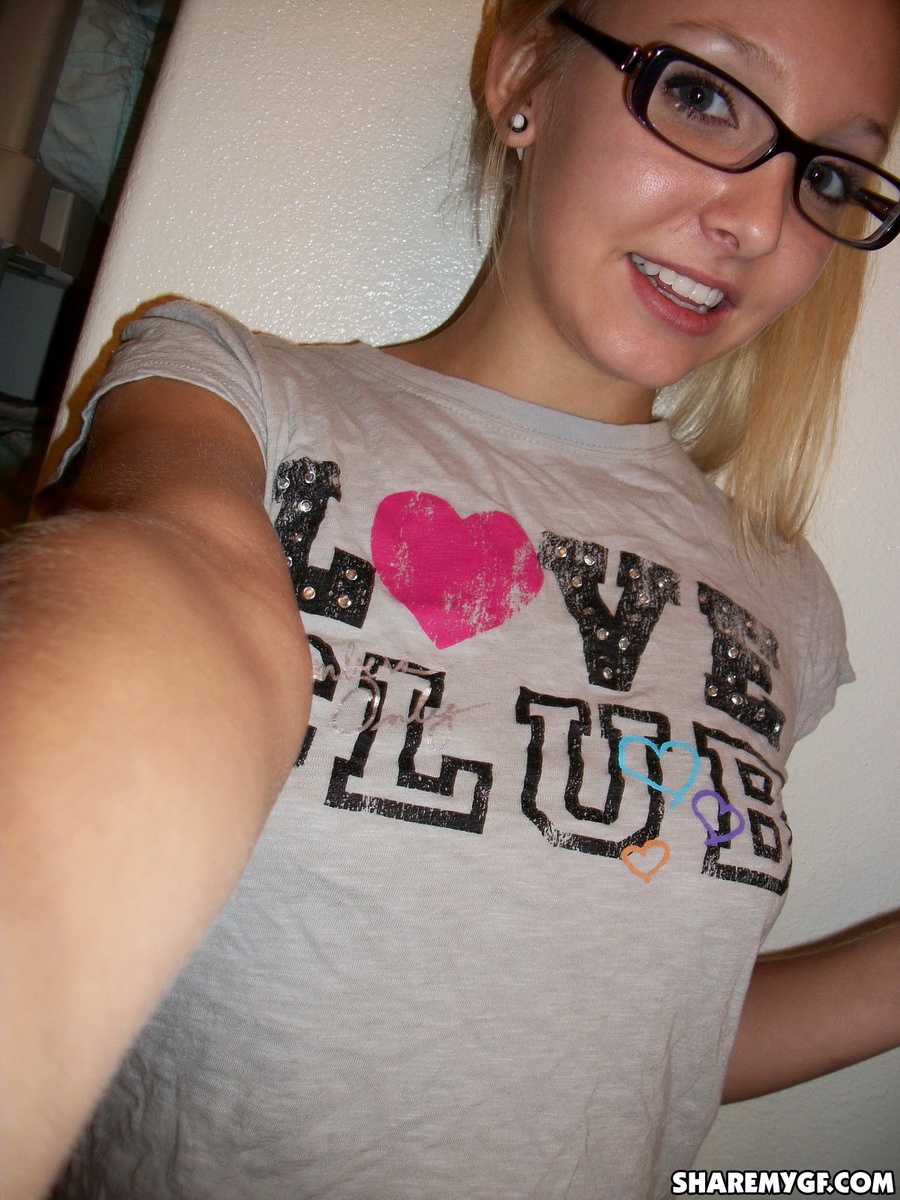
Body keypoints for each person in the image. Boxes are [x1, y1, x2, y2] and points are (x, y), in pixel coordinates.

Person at [3, 0, 900, 1197]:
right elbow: (168, 578)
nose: (756, 221)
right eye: (703, 96)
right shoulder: (229, 393)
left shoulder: (785, 601)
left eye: (827, 173)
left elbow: (643, 1036)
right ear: (524, 75)